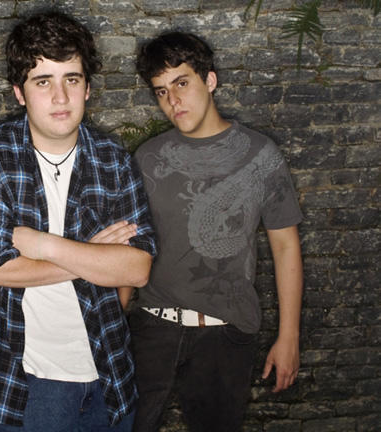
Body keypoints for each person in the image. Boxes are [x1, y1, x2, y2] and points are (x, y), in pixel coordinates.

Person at [0, 11, 157, 432]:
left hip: (109, 374)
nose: (61, 97)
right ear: (20, 93)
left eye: (72, 79)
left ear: (88, 88)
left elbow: (137, 269)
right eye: (43, 82)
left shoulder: (113, 160)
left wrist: (44, 245)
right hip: (28, 385)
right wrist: (95, 257)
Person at [129, 32, 304, 431]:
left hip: (225, 332)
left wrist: (289, 337)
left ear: (210, 80)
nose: (173, 101)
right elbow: (129, 245)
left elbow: (285, 247)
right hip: (152, 326)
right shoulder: (148, 158)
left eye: (182, 83)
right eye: (161, 91)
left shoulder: (261, 155)